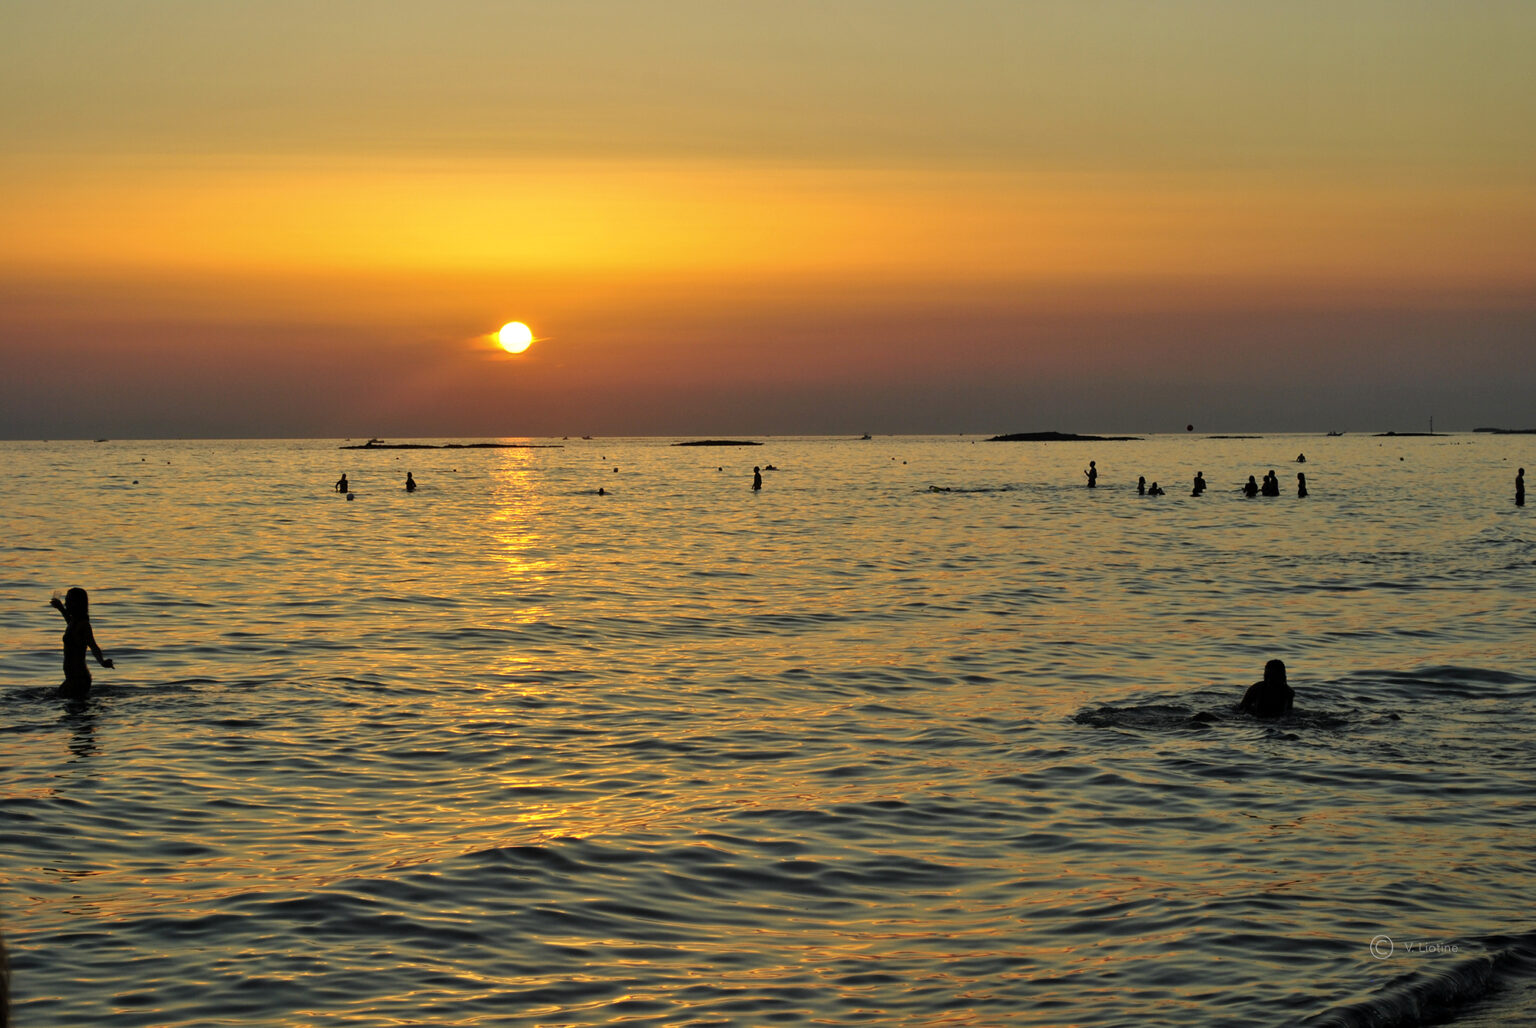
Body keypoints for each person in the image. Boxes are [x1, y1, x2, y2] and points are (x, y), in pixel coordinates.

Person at [50, 587, 113, 700]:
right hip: (72, 678)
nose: (66, 604)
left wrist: (102, 662)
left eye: (68, 601)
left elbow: (93, 646)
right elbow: (70, 623)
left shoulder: (84, 625)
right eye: (66, 601)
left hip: (79, 679)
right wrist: (61, 609)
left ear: (77, 604)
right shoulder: (74, 623)